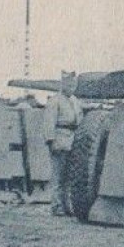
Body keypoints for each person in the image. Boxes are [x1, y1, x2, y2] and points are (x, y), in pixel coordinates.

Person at [43, 71, 83, 216]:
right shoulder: (55, 101)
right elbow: (49, 122)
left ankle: (67, 206)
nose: (71, 87)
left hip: (73, 140)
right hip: (60, 139)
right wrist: (51, 140)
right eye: (69, 84)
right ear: (62, 84)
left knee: (68, 177)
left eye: (74, 84)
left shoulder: (76, 101)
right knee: (58, 176)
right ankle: (56, 206)